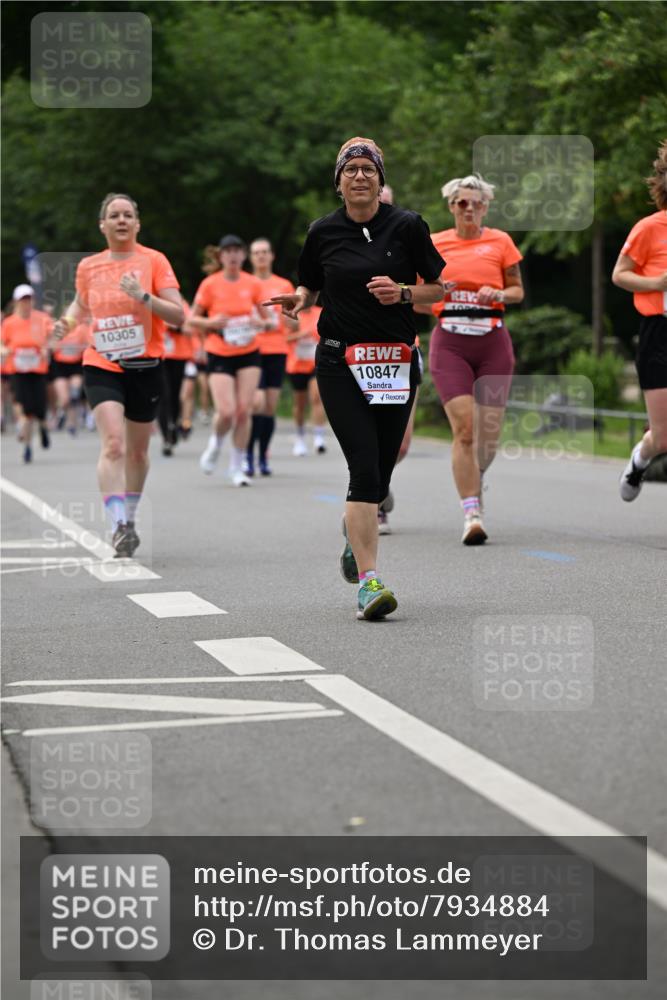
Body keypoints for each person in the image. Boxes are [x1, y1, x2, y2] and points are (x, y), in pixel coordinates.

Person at [266, 136, 445, 621]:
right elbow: (310, 283)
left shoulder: (407, 226)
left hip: (394, 361)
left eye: (369, 169)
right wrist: (300, 299)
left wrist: (403, 293)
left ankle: (354, 532)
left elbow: (438, 289)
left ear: (380, 179)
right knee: (364, 468)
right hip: (338, 361)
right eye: (351, 170)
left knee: (382, 471)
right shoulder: (322, 231)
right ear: (339, 181)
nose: (360, 176)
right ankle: (370, 583)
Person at [52, 192, 183, 556]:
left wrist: (144, 296)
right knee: (113, 444)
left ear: (137, 224)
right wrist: (66, 323)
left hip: (145, 365)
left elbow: (178, 315)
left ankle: (130, 514)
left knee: (137, 453)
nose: (121, 220)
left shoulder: (154, 261)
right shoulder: (89, 266)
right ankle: (118, 524)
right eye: (114, 215)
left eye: (127, 215)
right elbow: (80, 304)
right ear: (103, 225)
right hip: (102, 363)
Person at [420, 173, 524, 544]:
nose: (469, 208)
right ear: (451, 206)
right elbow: (414, 295)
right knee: (465, 430)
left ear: (485, 207)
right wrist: (437, 293)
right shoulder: (434, 244)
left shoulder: (501, 241)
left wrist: (498, 293)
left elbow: (517, 290)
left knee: (488, 439)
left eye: (476, 203)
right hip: (450, 343)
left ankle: (475, 477)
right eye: (462, 202)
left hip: (493, 342)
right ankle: (471, 512)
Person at [189, 235, 268, 485]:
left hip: (249, 351)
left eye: (237, 251)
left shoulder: (253, 283)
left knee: (244, 411)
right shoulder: (210, 284)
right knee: (226, 411)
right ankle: (215, 444)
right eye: (228, 251)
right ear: (221, 256)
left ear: (243, 255)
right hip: (219, 352)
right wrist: (211, 322)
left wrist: (259, 322)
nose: (233, 255)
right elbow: (192, 319)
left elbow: (270, 321)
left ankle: (237, 466)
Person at [613, 139, 667, 500]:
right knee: (663, 437)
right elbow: (620, 274)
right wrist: (657, 283)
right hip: (659, 333)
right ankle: (640, 459)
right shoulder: (649, 228)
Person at [246, 237, 299, 475]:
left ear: (272, 256)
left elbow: (294, 324)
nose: (261, 256)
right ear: (251, 257)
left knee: (269, 407)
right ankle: (247, 454)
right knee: (256, 403)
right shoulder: (245, 283)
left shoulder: (283, 284)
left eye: (265, 252)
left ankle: (262, 455)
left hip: (277, 349)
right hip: (250, 350)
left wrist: (290, 316)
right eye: (257, 252)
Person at [1, 285, 53, 462]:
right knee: (25, 408)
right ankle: (27, 446)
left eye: (29, 299)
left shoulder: (42, 319)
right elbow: (1, 344)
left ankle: (43, 427)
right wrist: (5, 351)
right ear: (16, 302)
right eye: (23, 300)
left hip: (38, 370)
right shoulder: (9, 323)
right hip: (18, 370)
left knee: (39, 409)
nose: (26, 303)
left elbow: (52, 337)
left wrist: (47, 348)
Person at [285, 303, 327, 455]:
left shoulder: (320, 313)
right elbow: (283, 339)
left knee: (316, 398)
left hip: (315, 363)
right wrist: (300, 335)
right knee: (300, 404)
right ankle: (300, 438)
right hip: (296, 365)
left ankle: (319, 438)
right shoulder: (292, 314)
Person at [158, 295, 191, 456]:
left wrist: (175, 327)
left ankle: (174, 424)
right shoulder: (153, 301)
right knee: (163, 395)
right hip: (159, 355)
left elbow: (188, 327)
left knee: (175, 395)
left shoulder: (181, 304)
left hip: (178, 355)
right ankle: (166, 436)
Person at [50, 320, 90, 436]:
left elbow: (88, 345)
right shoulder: (58, 328)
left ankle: (72, 423)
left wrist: (78, 347)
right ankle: (60, 413)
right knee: (64, 398)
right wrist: (59, 343)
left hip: (76, 365)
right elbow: (51, 347)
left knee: (74, 394)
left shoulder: (82, 328)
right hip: (60, 365)